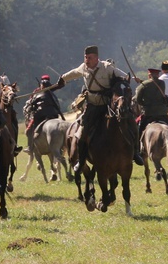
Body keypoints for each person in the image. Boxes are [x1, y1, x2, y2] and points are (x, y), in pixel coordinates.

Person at [58, 45, 143, 173]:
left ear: (97, 58)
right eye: (85, 57)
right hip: (92, 106)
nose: (87, 60)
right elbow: (73, 73)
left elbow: (123, 76)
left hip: (108, 105)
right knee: (82, 133)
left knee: (131, 123)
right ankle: (81, 161)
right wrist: (62, 79)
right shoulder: (83, 67)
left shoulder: (107, 67)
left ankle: (135, 153)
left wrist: (132, 79)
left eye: (89, 57)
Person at [135, 68, 168, 149]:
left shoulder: (143, 85)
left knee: (137, 128)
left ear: (149, 75)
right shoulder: (162, 83)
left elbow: (138, 99)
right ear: (158, 75)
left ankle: (137, 148)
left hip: (148, 113)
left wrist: (144, 104)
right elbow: (152, 84)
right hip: (162, 113)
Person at [24, 74, 63, 152]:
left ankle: (31, 146)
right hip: (54, 113)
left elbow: (31, 102)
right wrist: (62, 82)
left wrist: (62, 80)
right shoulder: (48, 89)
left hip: (41, 113)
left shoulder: (47, 89)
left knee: (30, 129)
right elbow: (60, 85)